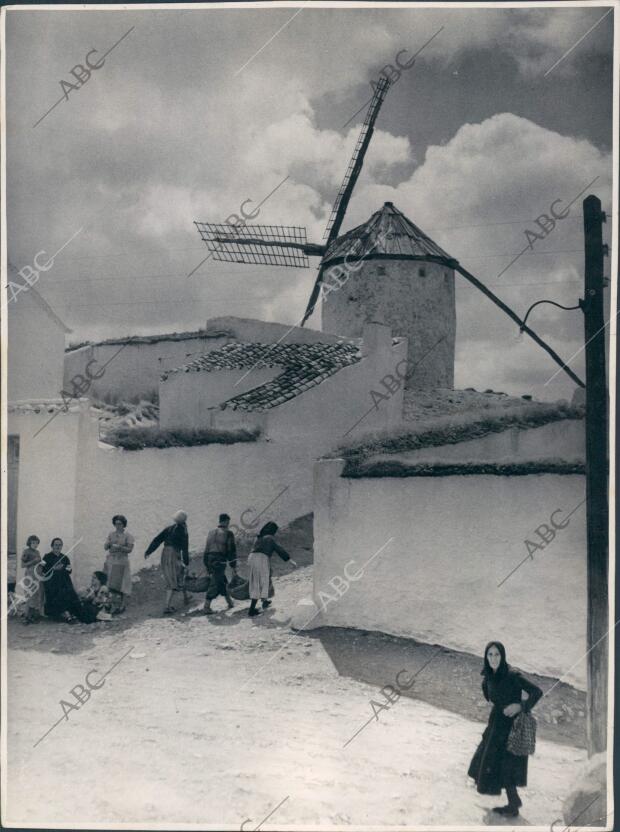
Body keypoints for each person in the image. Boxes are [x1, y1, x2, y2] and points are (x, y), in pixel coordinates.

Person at [468, 641, 542, 817]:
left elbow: (536, 692)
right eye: (490, 655)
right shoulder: (488, 676)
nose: (494, 658)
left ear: (503, 656)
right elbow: (492, 699)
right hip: (496, 724)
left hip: (511, 726)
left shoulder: (512, 675)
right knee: (489, 757)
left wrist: (520, 706)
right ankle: (504, 795)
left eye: (497, 654)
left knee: (507, 764)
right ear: (486, 657)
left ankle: (513, 804)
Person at [144, 510, 191, 615]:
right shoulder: (184, 531)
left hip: (165, 553)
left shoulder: (169, 528)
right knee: (177, 576)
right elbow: (185, 548)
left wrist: (149, 551)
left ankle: (186, 596)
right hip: (174, 554)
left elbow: (157, 539)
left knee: (176, 575)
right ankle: (167, 606)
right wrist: (186, 561)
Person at [247, 522, 297, 617]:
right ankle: (251, 610)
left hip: (252, 558)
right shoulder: (270, 538)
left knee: (261, 580)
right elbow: (279, 550)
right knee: (261, 582)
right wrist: (290, 560)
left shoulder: (259, 537)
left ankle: (264, 601)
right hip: (261, 558)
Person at [203, 513, 237, 615]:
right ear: (226, 521)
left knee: (221, 580)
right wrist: (233, 564)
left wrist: (206, 564)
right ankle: (206, 607)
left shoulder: (211, 532)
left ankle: (229, 602)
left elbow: (206, 548)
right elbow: (231, 550)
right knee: (215, 582)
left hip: (209, 558)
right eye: (228, 522)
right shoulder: (228, 533)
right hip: (219, 560)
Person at [41, 538, 82, 623]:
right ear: (52, 546)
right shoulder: (46, 557)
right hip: (51, 583)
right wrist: (53, 568)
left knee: (69, 593)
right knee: (59, 594)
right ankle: (66, 615)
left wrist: (62, 568)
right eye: (56, 545)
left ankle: (71, 614)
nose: (58, 546)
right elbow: (42, 569)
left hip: (64, 581)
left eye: (60, 545)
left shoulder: (65, 557)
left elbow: (69, 570)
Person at [103, 514, 134, 615]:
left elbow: (129, 549)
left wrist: (120, 547)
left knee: (122, 583)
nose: (118, 526)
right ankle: (112, 605)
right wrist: (108, 544)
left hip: (122, 560)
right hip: (112, 560)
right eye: (116, 524)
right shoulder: (111, 534)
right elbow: (105, 547)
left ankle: (122, 605)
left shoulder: (128, 536)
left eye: (120, 524)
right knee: (111, 582)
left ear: (123, 524)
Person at [21, 535, 44, 623]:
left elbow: (38, 563)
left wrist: (41, 564)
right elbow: (22, 565)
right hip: (30, 576)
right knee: (30, 596)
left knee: (37, 596)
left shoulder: (37, 552)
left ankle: (33, 617)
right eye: (33, 542)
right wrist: (34, 561)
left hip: (37, 576)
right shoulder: (26, 552)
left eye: (36, 543)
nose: (35, 544)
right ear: (29, 543)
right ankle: (26, 617)